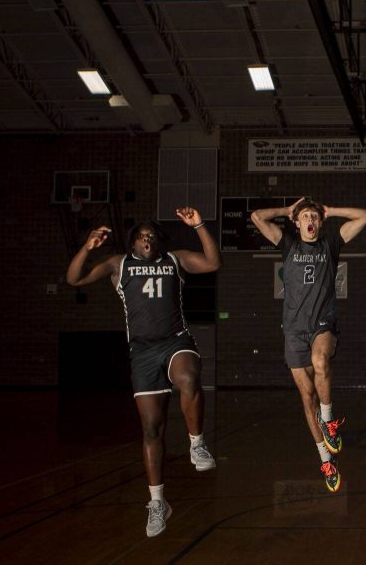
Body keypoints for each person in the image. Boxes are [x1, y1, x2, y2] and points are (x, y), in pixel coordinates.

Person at [65, 208, 220, 538]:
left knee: (189, 378)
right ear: (133, 243)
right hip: (143, 352)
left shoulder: (175, 259)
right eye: (141, 236)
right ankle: (158, 502)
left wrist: (199, 226)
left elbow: (212, 263)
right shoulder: (118, 264)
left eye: (151, 236)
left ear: (158, 241)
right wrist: (88, 247)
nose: (146, 239)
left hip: (175, 340)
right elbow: (74, 279)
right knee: (151, 430)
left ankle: (197, 444)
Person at [250, 197, 366, 492]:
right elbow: (257, 217)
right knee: (308, 399)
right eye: (305, 216)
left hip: (322, 325)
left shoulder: (330, 245)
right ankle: (326, 460)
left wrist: (332, 210)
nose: (310, 221)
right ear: (297, 222)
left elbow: (365, 215)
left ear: (320, 222)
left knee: (320, 361)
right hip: (294, 331)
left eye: (315, 217)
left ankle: (329, 421)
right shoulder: (288, 245)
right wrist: (286, 210)